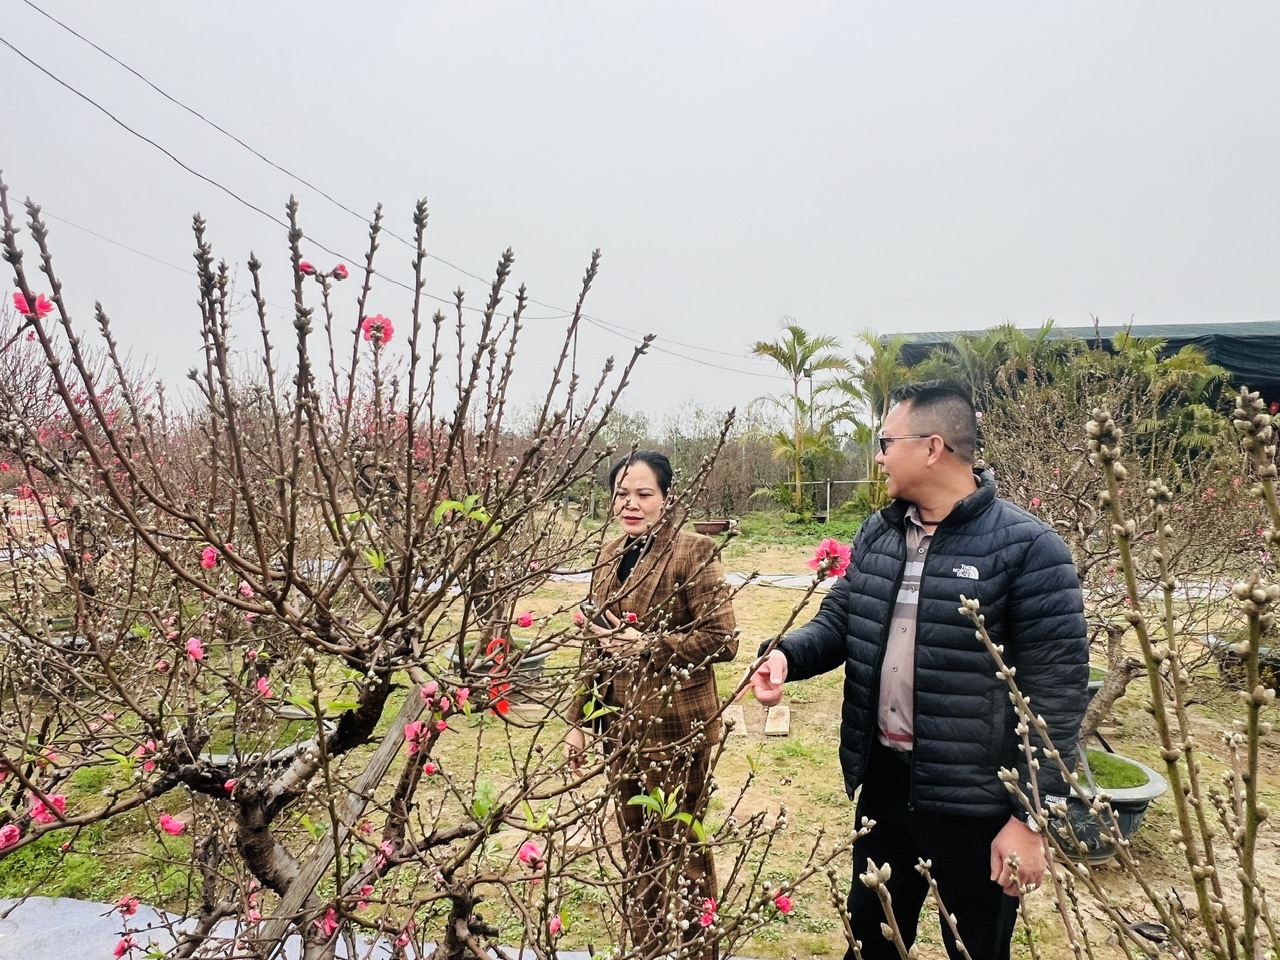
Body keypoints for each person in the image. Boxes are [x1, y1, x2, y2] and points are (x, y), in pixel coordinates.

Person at [745, 380, 1087, 960]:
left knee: (975, 950)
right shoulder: (881, 532)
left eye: (885, 441)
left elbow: (1055, 694)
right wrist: (786, 654)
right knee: (872, 941)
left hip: (975, 802)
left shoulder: (1030, 549)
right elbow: (841, 619)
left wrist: (1030, 818)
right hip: (883, 782)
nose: (877, 456)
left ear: (932, 447)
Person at [566, 449, 739, 960]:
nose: (632, 504)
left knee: (681, 850)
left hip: (677, 732)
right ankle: (647, 949)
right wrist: (579, 720)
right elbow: (594, 644)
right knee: (638, 850)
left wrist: (650, 645)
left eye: (644, 494)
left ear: (666, 498)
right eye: (623, 494)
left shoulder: (693, 551)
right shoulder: (608, 554)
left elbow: (723, 638)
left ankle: (695, 950)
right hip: (620, 731)